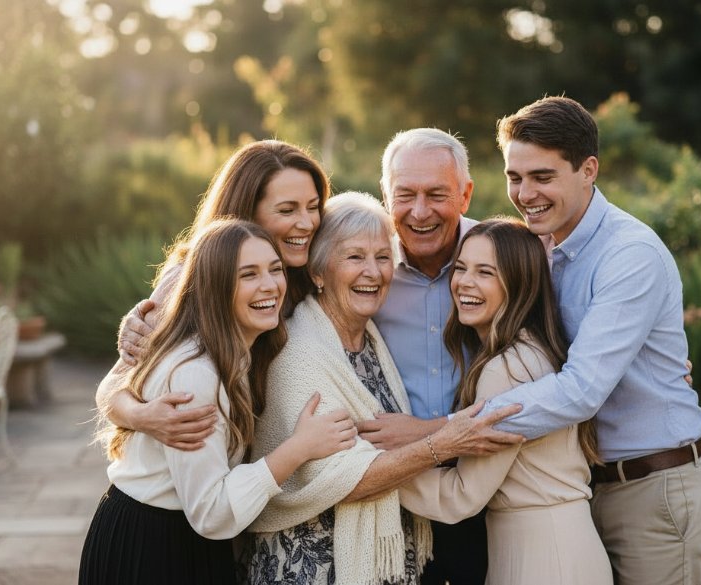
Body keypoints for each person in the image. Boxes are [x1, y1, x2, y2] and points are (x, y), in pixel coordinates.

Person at [483, 96, 701, 585]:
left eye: (542, 177)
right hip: (586, 486)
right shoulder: (538, 244)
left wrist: (450, 430)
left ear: (588, 169)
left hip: (653, 487)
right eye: (514, 177)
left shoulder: (628, 254)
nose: (525, 194)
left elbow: (582, 390)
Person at [243, 193, 522, 585]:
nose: (373, 272)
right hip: (314, 569)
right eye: (355, 257)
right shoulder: (300, 355)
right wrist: (444, 442)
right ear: (319, 273)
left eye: (382, 256)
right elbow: (347, 479)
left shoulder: (370, 340)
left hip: (382, 566)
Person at [79, 219, 357, 585]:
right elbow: (211, 512)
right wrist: (298, 448)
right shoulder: (197, 376)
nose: (269, 285)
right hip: (152, 547)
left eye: (275, 269)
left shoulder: (235, 354)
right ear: (215, 288)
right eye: (248, 275)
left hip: (180, 540)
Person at [398, 218, 612, 585]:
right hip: (547, 544)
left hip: (544, 555)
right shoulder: (532, 350)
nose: (464, 282)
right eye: (461, 268)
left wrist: (376, 471)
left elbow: (461, 496)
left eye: (485, 272)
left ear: (518, 285)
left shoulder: (507, 368)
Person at [100, 139, 331, 451]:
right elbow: (112, 388)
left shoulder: (309, 272)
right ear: (247, 214)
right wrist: (145, 417)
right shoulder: (191, 276)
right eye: (287, 210)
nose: (306, 223)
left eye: (313, 207)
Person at [362, 128, 498, 585]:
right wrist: (167, 290)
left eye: (437, 194)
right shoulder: (361, 263)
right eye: (405, 195)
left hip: (490, 489)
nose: (419, 212)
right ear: (385, 194)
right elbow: (257, 245)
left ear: (465, 194)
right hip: (395, 491)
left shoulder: (504, 257)